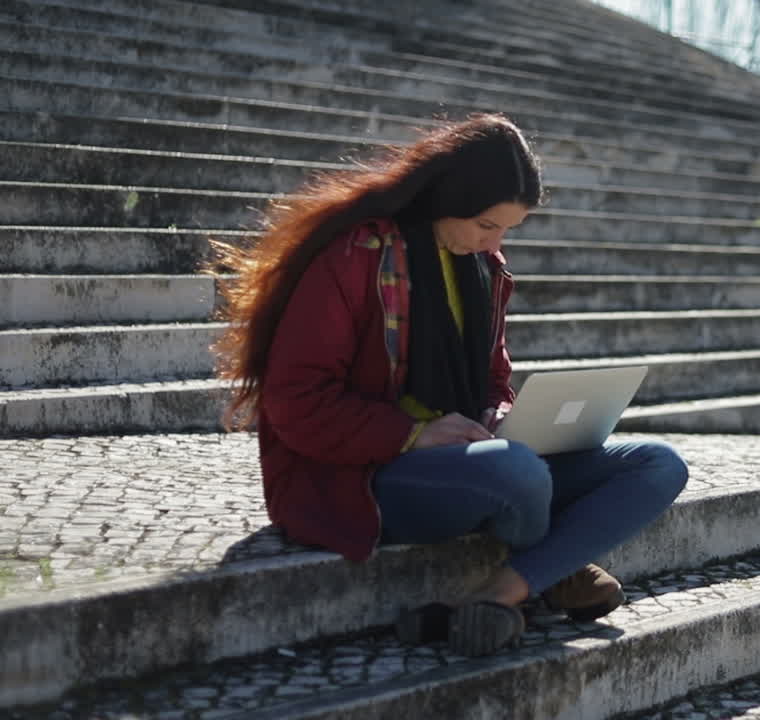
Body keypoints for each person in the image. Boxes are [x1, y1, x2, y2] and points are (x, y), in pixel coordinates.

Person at [211, 114, 688, 656]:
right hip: (362, 475)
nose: (496, 242)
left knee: (658, 463)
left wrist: (496, 414)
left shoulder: (485, 266)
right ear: (446, 199)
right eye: (487, 226)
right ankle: (556, 572)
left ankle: (499, 594)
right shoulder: (356, 258)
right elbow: (296, 402)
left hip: (470, 461)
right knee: (518, 472)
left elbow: (494, 381)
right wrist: (415, 434)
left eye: (507, 229)